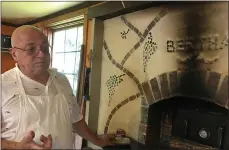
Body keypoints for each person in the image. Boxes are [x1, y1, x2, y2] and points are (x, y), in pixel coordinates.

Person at [1, 25, 113, 149]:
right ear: (14, 54)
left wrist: (98, 141)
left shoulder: (61, 80)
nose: (42, 55)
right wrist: (16, 146)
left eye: (45, 48)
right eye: (31, 49)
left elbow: (76, 121)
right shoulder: (3, 85)